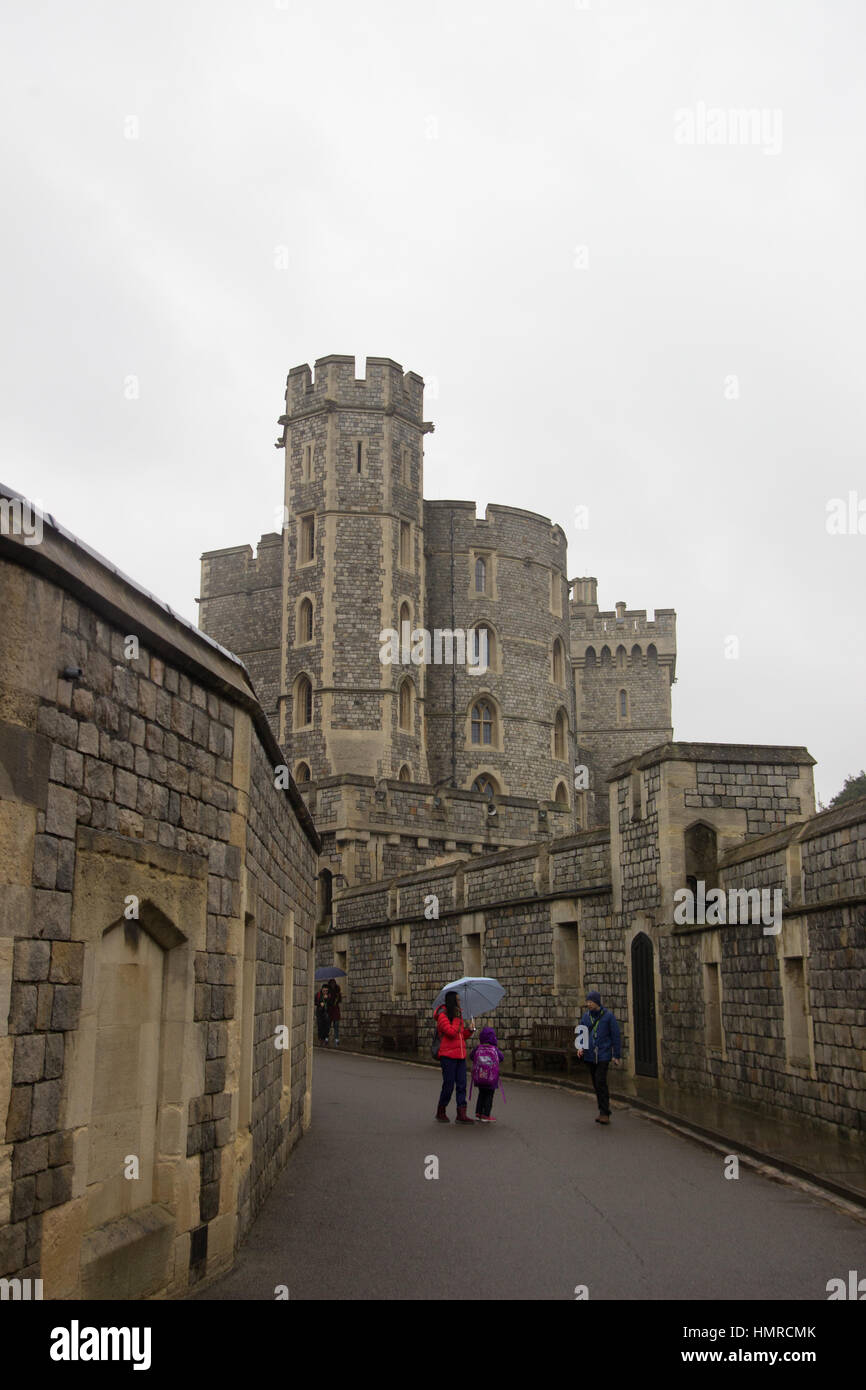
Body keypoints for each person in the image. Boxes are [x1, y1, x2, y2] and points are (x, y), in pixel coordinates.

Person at [576, 990, 622, 1124]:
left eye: (591, 1002)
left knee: (600, 1080)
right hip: (590, 1055)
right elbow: (582, 1033)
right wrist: (580, 1047)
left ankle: (605, 1112)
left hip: (603, 1054)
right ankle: (602, 1109)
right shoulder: (586, 1017)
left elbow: (615, 1035)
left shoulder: (608, 1016)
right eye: (587, 1002)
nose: (588, 1004)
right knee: (596, 1083)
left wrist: (616, 1055)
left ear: (597, 1002)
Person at [434, 991, 475, 1124]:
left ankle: (461, 1113)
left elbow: (460, 1035)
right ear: (452, 1001)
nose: (459, 1002)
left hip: (460, 1055)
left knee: (462, 1084)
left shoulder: (458, 1016)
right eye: (457, 1000)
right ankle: (441, 1111)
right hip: (448, 1056)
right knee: (449, 1085)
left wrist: (470, 1030)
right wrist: (457, 1019)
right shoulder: (442, 1016)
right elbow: (451, 1033)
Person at [469, 1025, 504, 1124]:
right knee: (489, 1095)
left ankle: (478, 1113)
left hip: (480, 1077)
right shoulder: (494, 1049)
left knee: (481, 1094)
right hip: (491, 1078)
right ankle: (486, 1115)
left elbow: (471, 1056)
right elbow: (501, 1058)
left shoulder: (478, 1048)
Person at [327, 977, 342, 1046]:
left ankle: (336, 1039)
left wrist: (338, 998)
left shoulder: (337, 991)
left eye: (334, 983)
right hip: (330, 1010)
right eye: (331, 983)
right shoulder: (328, 991)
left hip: (335, 1010)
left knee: (336, 1025)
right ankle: (326, 1038)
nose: (333, 985)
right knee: (328, 1025)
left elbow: (340, 1000)